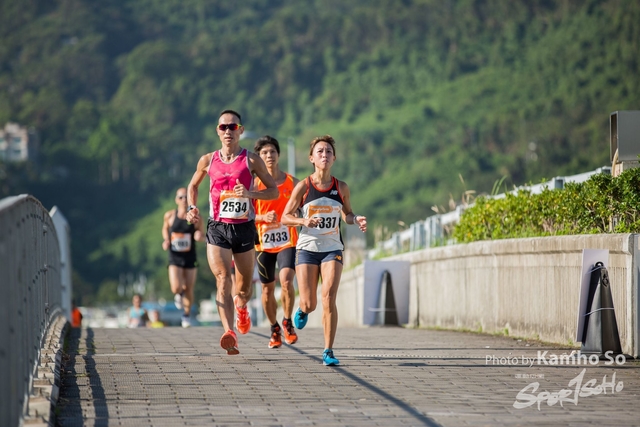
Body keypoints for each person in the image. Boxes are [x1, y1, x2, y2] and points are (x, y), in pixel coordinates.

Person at [185, 109, 278, 355]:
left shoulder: (251, 160)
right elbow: (193, 186)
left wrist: (249, 194)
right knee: (223, 278)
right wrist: (191, 208)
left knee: (244, 289)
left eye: (233, 127)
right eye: (223, 127)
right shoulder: (208, 160)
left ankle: (241, 307)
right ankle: (229, 332)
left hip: (244, 228)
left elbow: (273, 191)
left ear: (241, 131)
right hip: (218, 228)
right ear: (217, 131)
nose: (228, 131)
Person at [282, 135, 367, 366]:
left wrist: (356, 219)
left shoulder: (341, 187)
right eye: (320, 151)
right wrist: (303, 221)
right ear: (311, 158)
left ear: (334, 158)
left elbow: (347, 214)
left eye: (329, 152)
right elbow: (285, 217)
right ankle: (303, 309)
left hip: (332, 248)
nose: (324, 155)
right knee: (310, 303)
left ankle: (328, 350)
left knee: (329, 297)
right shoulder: (303, 186)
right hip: (307, 248)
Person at [253, 136, 300, 348]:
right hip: (264, 244)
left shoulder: (293, 183)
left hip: (288, 240)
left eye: (272, 151)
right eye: (264, 153)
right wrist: (263, 217)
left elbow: (304, 209)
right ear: (258, 158)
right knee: (267, 290)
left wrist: (297, 214)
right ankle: (274, 328)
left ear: (278, 155)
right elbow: (244, 216)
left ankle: (287, 321)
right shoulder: (254, 185)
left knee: (287, 282)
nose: (269, 155)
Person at [162, 187, 205, 327]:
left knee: (189, 287)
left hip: (190, 256)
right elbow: (165, 228)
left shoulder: (196, 217)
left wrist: (199, 236)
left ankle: (186, 316)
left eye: (186, 196)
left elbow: (201, 233)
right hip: (175, 256)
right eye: (181, 197)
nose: (184, 200)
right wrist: (166, 240)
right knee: (176, 287)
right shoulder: (170, 215)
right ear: (176, 200)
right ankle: (178, 294)